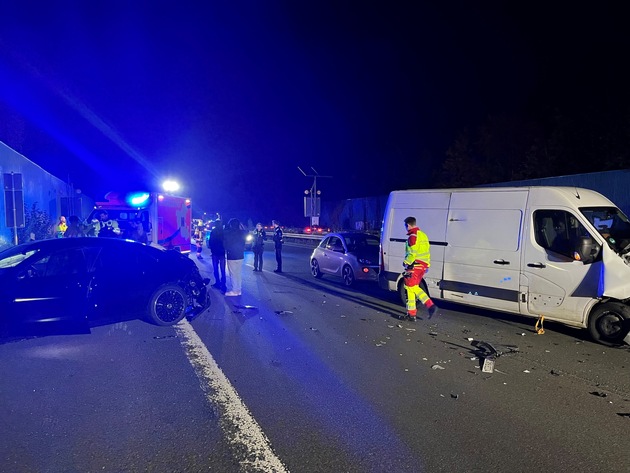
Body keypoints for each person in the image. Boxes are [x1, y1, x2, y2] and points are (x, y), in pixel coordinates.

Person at [401, 216, 437, 321]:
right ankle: (411, 314)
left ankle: (430, 306)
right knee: (410, 288)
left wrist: (406, 262)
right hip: (422, 266)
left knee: (412, 288)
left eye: (405, 226)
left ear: (408, 225)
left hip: (414, 266)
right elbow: (427, 252)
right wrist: (427, 265)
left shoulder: (413, 236)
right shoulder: (423, 235)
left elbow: (412, 252)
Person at [223, 218, 246, 296]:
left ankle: (234, 291)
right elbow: (245, 230)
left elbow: (225, 244)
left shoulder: (228, 233)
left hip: (232, 255)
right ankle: (238, 289)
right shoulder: (242, 233)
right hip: (240, 255)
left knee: (233, 274)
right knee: (238, 273)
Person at [209, 219, 227, 291]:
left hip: (215, 253)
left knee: (216, 269)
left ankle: (217, 283)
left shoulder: (213, 231)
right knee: (223, 270)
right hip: (222, 253)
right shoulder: (224, 232)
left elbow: (211, 242)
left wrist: (212, 250)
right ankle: (223, 285)